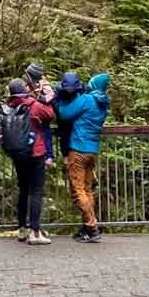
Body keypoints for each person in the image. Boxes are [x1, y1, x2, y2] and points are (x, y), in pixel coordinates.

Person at [55, 71, 111, 243]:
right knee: (87, 190)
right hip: (92, 150)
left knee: (78, 190)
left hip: (78, 149)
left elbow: (65, 113)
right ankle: (89, 228)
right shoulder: (103, 105)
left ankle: (92, 228)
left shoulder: (87, 99)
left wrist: (55, 100)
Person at [4, 79, 56, 245]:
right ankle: (35, 232)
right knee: (36, 192)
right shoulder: (33, 105)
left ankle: (22, 229)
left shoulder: (9, 107)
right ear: (22, 89)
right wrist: (43, 97)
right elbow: (50, 115)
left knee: (23, 190)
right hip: (35, 152)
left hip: (18, 154)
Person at [25, 62, 55, 167]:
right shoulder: (27, 84)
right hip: (31, 114)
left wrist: (39, 97)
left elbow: (51, 96)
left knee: (46, 133)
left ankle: (49, 156)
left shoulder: (43, 82)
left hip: (42, 114)